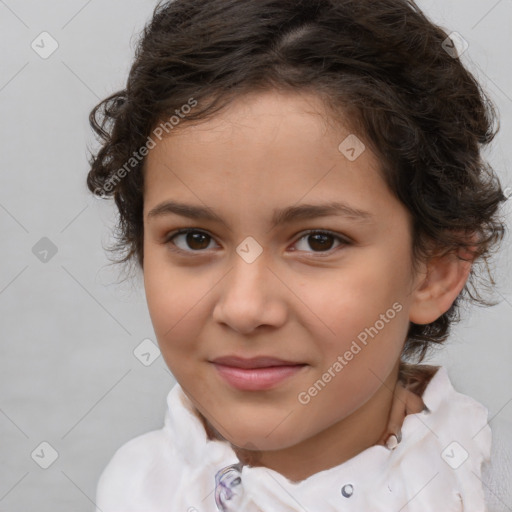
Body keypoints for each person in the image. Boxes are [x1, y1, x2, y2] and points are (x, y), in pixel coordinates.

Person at [87, 0, 510, 510]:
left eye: (318, 241)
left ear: (436, 269)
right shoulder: (134, 488)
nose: (244, 309)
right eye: (195, 239)